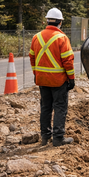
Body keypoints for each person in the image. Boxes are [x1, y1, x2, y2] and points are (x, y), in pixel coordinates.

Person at [29, 8, 75, 146]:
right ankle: (58, 138)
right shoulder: (62, 38)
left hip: (42, 80)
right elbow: (68, 61)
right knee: (60, 108)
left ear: (47, 21)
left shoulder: (36, 37)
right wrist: (71, 78)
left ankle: (45, 137)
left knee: (45, 107)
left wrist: (36, 73)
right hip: (58, 81)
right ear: (60, 22)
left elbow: (32, 57)